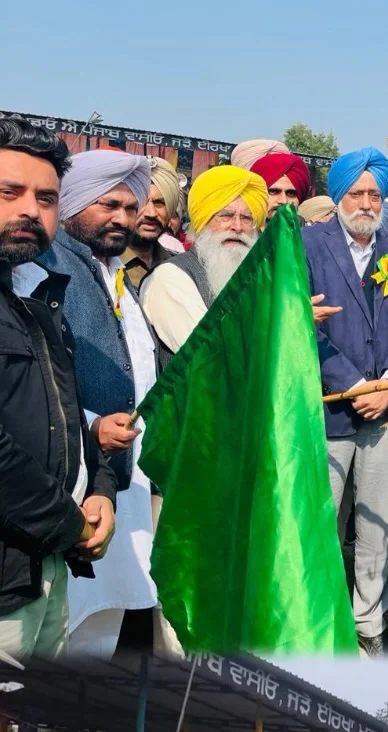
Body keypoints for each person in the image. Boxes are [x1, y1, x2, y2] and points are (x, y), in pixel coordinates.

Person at [33, 148, 172, 659]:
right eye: (107, 204)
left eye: (129, 207)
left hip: (120, 478)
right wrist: (91, 427)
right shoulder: (49, 266)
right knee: (62, 630)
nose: (122, 218)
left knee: (103, 624)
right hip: (74, 471)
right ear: (71, 204)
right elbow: (44, 376)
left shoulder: (111, 271)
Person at [0, 116, 117, 662]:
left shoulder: (40, 299)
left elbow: (65, 414)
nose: (29, 209)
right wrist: (69, 523)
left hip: (46, 566)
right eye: (10, 192)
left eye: (46, 198)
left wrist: (101, 489)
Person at [303, 146, 388, 655]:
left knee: (378, 523)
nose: (367, 203)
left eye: (376, 194)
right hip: (331, 408)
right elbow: (303, 324)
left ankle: (368, 623)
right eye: (357, 193)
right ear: (338, 197)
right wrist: (355, 386)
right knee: (322, 518)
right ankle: (320, 618)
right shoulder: (306, 246)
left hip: (385, 413)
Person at [141, 165, 269, 363]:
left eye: (246, 218)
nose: (237, 227)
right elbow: (211, 354)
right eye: (225, 216)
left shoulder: (260, 279)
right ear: (201, 222)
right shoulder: (169, 277)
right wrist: (279, 325)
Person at [123, 157, 183, 289]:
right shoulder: (104, 265)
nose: (151, 213)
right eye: (142, 202)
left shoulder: (180, 266)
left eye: (159, 203)